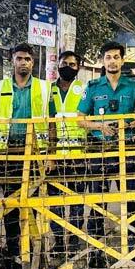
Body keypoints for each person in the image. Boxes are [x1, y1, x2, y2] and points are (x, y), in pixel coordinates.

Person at [77, 41, 135, 269]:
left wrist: (125, 124)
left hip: (126, 150)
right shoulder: (93, 86)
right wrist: (99, 127)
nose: (112, 61)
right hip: (98, 150)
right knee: (98, 203)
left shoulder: (133, 86)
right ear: (102, 61)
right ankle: (96, 253)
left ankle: (131, 252)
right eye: (108, 57)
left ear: (122, 59)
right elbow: (80, 118)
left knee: (130, 201)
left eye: (116, 57)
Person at [0, 43, 53, 269]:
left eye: (27, 59)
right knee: (11, 205)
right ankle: (15, 253)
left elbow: (52, 123)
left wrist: (50, 155)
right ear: (12, 61)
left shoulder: (45, 88)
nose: (23, 62)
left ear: (33, 62)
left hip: (36, 155)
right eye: (19, 59)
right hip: (7, 154)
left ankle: (36, 254)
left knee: (35, 205)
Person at [49, 50, 88, 255]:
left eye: (73, 64)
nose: (68, 67)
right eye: (65, 63)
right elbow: (48, 123)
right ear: (58, 65)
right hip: (55, 157)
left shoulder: (84, 89)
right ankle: (58, 238)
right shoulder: (49, 90)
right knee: (54, 200)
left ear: (78, 67)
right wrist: (51, 155)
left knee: (75, 199)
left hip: (78, 155)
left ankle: (73, 239)